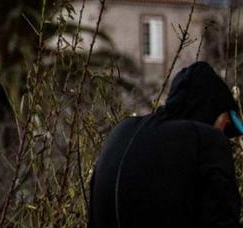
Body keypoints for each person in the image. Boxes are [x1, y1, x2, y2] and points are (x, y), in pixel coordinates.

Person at [89, 61, 243, 228]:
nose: (225, 137)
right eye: (225, 126)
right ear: (210, 109)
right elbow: (224, 219)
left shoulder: (120, 131)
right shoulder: (206, 139)